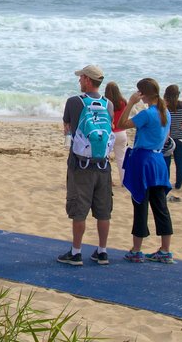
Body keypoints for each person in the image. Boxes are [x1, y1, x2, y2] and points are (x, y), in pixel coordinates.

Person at [58, 65, 114, 266]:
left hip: (80, 164)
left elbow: (67, 128)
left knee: (79, 209)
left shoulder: (74, 102)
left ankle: (76, 252)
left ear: (88, 80)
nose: (79, 81)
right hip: (103, 165)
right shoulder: (108, 104)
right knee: (103, 210)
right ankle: (102, 251)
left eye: (81, 78)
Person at [119, 77, 175, 264]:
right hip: (158, 160)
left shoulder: (148, 113)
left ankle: (137, 249)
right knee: (160, 206)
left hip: (143, 160)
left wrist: (131, 103)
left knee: (140, 203)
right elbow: (165, 136)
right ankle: (165, 249)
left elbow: (122, 123)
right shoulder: (165, 113)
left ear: (142, 93)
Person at [105, 81, 130, 180]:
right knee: (121, 159)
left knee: (105, 158)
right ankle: (124, 180)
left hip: (110, 132)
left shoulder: (106, 103)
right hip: (121, 132)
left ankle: (108, 180)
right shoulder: (123, 102)